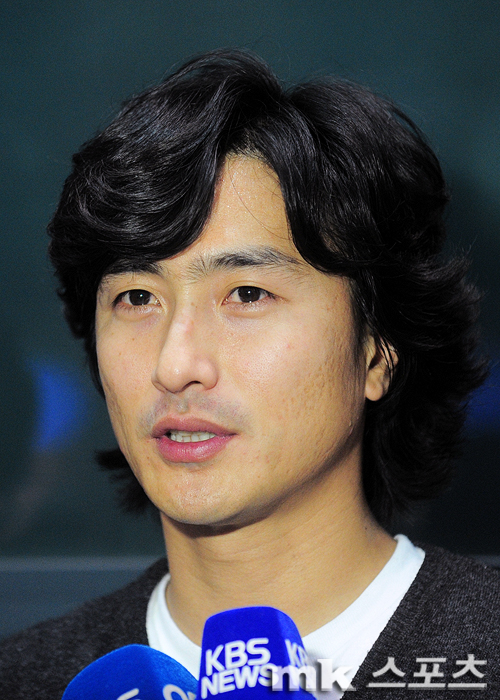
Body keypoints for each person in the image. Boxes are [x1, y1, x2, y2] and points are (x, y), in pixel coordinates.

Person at [1, 48, 498, 698]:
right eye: (137, 298)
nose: (175, 365)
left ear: (376, 350)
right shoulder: (30, 678)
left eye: (247, 294)